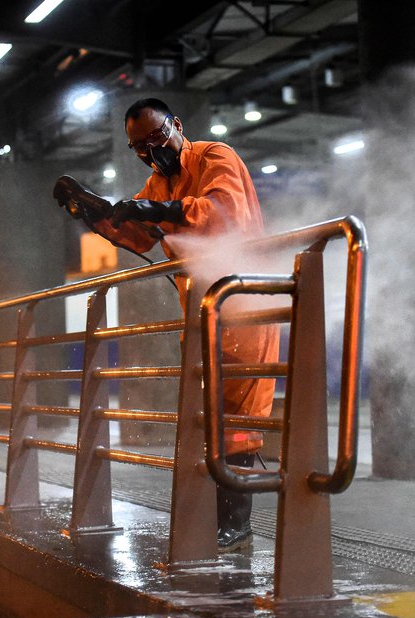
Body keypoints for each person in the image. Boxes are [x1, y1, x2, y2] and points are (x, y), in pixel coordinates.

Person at [57, 98, 279, 552]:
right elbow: (145, 236)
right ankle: (221, 516)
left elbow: (222, 211)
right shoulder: (160, 182)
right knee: (207, 415)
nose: (151, 151)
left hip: (243, 304)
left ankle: (237, 523)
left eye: (157, 138)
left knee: (236, 418)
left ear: (177, 124)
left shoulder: (215, 156)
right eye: (139, 146)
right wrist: (99, 215)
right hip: (201, 309)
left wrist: (153, 209)